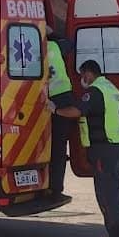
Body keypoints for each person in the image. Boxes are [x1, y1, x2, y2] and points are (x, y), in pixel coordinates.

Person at [51, 59, 119, 237]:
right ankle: (118, 236)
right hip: (118, 147)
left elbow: (76, 111)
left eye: (82, 75)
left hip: (105, 150)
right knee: (115, 192)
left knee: (107, 194)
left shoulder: (95, 91)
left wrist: (55, 110)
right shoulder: (111, 88)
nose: (82, 79)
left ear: (89, 73)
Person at [45, 26, 75, 203]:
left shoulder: (29, 47)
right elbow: (71, 43)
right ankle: (55, 189)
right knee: (58, 147)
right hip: (64, 97)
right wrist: (52, 32)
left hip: (43, 99)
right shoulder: (56, 46)